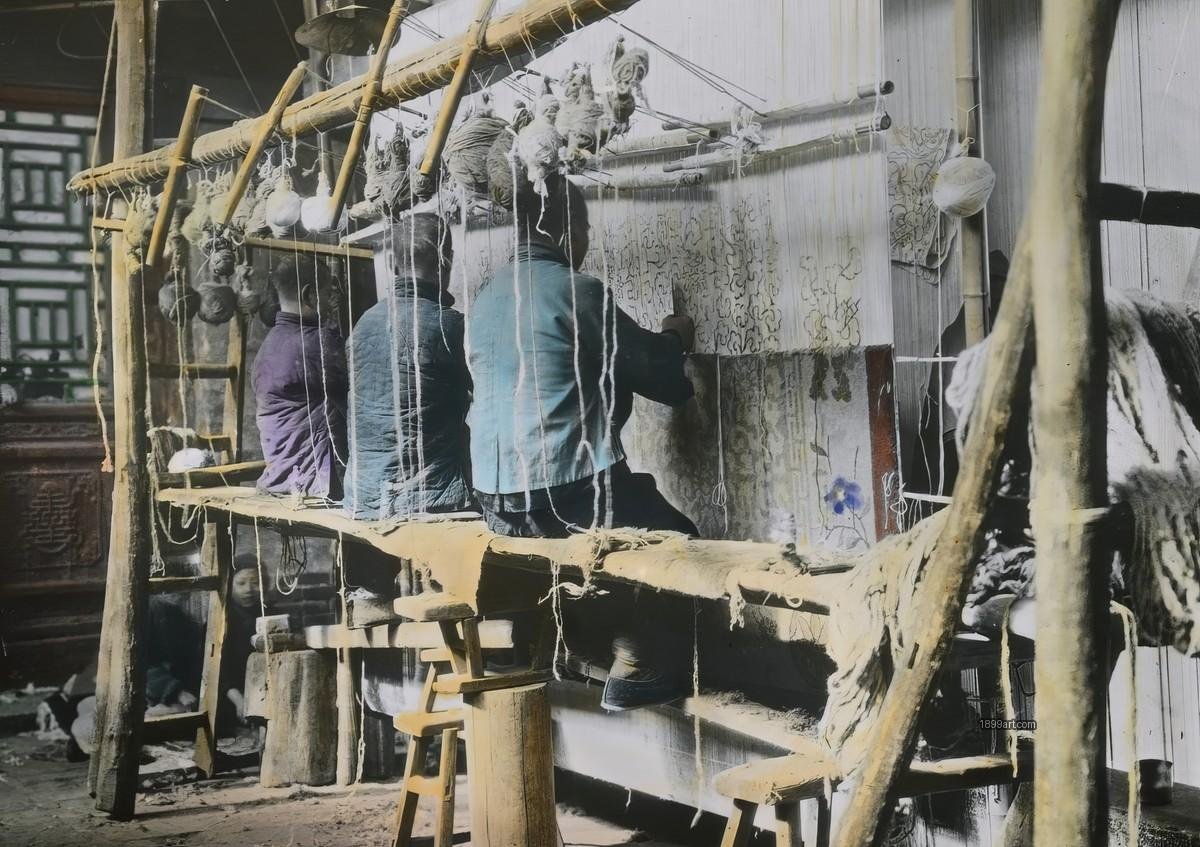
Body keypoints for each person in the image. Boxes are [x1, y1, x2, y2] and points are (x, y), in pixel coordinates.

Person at [467, 173, 697, 710]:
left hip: (496, 502)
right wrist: (675, 338)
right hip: (562, 496)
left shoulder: (484, 296)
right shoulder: (579, 291)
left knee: (619, 506)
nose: (588, 236)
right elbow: (655, 374)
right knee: (678, 541)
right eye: (586, 224)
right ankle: (640, 666)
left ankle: (594, 646)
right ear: (566, 226)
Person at [344, 213, 473, 519]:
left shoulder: (362, 324)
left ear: (391, 263)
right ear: (447, 258)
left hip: (362, 496)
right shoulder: (450, 326)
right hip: (428, 497)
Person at [253, 255, 348, 500]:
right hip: (311, 480)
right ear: (309, 296)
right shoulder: (317, 342)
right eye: (327, 294)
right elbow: (358, 399)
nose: (331, 304)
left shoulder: (267, 346)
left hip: (282, 475)